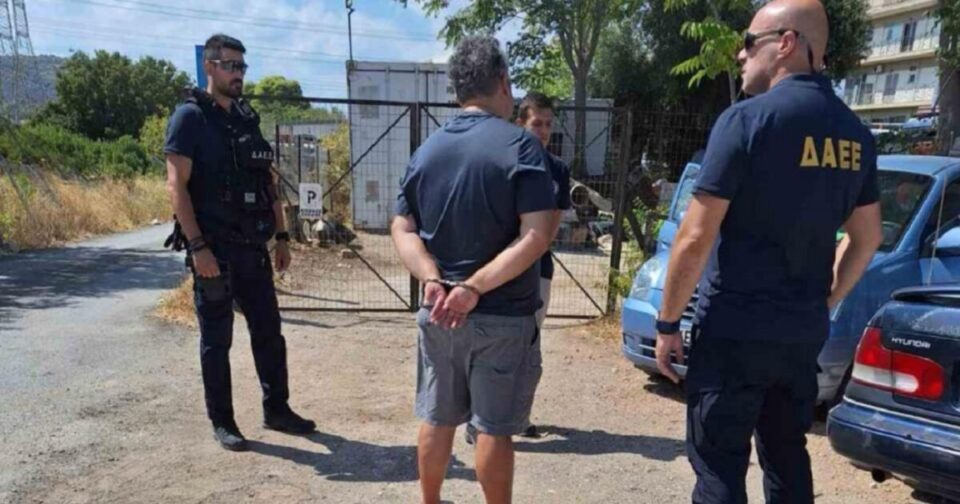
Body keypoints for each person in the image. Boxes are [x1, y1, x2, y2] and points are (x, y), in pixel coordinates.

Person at [653, 1, 883, 502]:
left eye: (749, 42)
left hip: (734, 329)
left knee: (718, 466)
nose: (741, 54)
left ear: (786, 43)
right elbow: (867, 237)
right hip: (800, 333)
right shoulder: (857, 136)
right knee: (786, 456)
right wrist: (826, 299)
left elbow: (694, 237)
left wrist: (668, 324)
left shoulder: (746, 120)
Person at [391, 36, 557, 504]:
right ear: (502, 82)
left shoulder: (426, 151)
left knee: (437, 418)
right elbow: (537, 235)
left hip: (438, 312)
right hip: (502, 316)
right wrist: (474, 288)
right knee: (493, 428)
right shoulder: (522, 147)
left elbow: (401, 226)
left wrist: (431, 277)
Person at [164, 34, 315, 452]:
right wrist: (197, 247)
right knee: (217, 341)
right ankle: (223, 420)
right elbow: (176, 186)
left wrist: (281, 236)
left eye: (242, 67)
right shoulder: (190, 118)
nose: (238, 74)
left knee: (269, 333)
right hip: (213, 251)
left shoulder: (246, 119)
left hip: (253, 249)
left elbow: (267, 183)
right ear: (209, 66)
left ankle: (277, 409)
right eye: (230, 65)